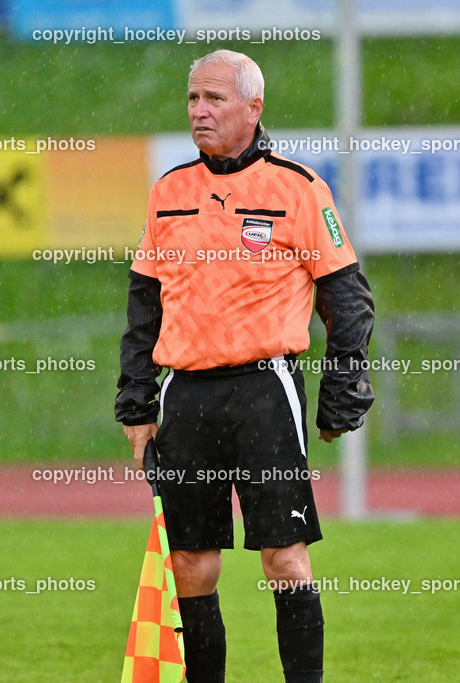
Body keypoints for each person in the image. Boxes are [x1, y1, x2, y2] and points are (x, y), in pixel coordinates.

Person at [115, 49, 375, 683]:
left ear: (253, 108)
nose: (199, 112)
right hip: (186, 396)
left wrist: (342, 394)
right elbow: (143, 310)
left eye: (214, 99)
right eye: (192, 100)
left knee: (285, 560)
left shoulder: (299, 188)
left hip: (265, 392)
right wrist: (136, 405)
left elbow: (348, 299)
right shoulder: (168, 193)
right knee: (191, 567)